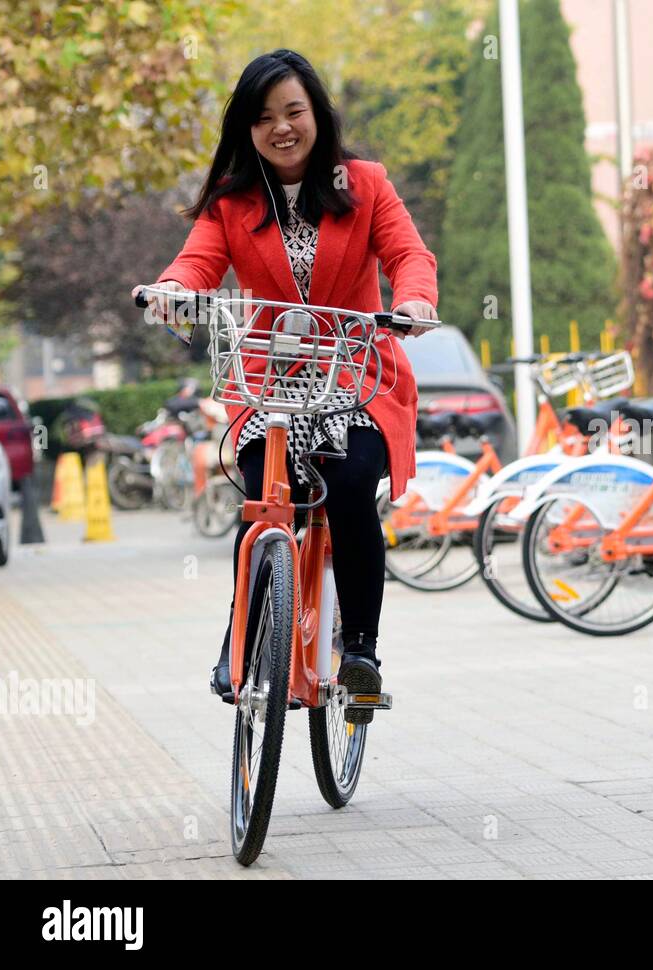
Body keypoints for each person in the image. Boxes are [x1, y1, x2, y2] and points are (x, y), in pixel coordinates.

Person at [133, 49, 438, 719]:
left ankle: (359, 650)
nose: (282, 128)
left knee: (348, 481)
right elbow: (197, 263)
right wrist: (172, 291)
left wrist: (412, 302)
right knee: (266, 493)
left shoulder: (366, 183)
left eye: (293, 111)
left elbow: (408, 254)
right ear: (247, 128)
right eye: (264, 117)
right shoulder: (231, 203)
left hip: (357, 378)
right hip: (269, 383)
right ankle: (246, 633)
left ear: (316, 115)